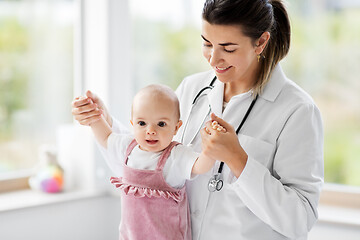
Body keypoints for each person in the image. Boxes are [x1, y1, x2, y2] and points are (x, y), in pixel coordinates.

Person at [72, 0, 324, 239]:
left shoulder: (297, 111)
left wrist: (238, 160)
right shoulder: (192, 89)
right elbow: (147, 161)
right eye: (207, 43)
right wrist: (100, 119)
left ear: (261, 42)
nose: (213, 59)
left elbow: (299, 218)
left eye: (228, 48)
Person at [74, 84, 225, 240]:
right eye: (142, 123)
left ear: (176, 127)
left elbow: (201, 166)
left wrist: (211, 148)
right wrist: (93, 116)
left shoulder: (175, 155)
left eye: (161, 124)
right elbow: (105, 137)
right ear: (132, 124)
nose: (151, 130)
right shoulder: (128, 146)